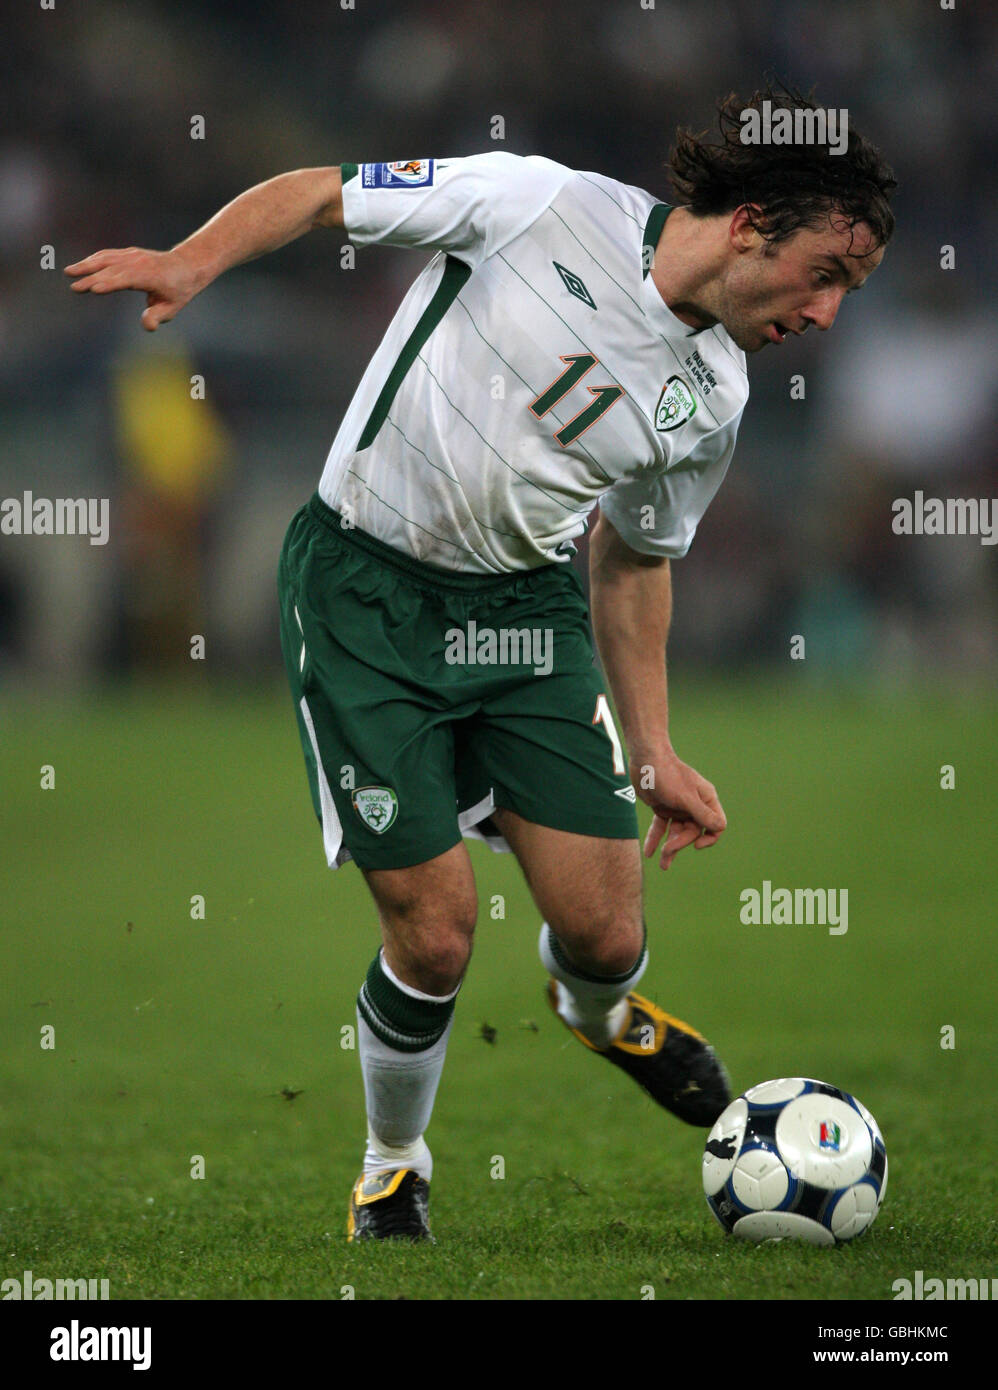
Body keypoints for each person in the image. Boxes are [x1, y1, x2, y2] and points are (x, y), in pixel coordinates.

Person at [66, 86, 896, 1243]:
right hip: (362, 594)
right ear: (751, 221)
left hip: (523, 617)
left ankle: (599, 1012)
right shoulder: (536, 204)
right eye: (825, 274)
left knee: (606, 934)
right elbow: (318, 194)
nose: (825, 312)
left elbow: (634, 558)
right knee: (436, 928)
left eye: (844, 291)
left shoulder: (714, 395)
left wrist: (651, 745)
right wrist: (192, 263)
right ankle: (391, 1163)